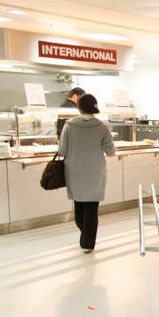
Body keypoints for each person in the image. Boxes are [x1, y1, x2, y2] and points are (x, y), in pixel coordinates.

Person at [57, 94, 115, 253]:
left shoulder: (69, 125)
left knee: (79, 204)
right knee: (92, 207)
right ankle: (87, 242)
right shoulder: (102, 127)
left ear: (79, 107)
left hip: (75, 170)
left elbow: (62, 150)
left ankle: (86, 237)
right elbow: (110, 152)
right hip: (95, 171)